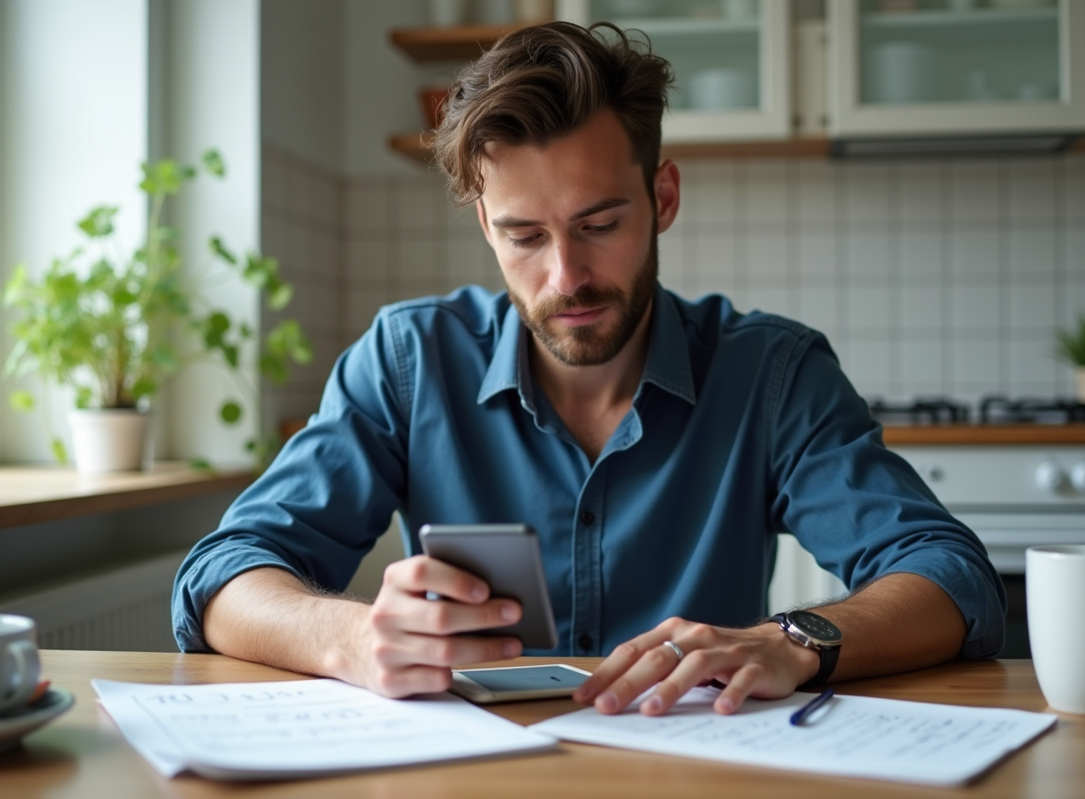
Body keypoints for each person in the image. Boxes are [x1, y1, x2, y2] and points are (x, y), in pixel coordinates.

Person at [173, 21, 1005, 718]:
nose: (565, 277)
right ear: (486, 227)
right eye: (524, 237)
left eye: (599, 223)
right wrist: (349, 638)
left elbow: (950, 575)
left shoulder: (771, 374)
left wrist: (790, 640)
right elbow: (221, 576)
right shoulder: (406, 362)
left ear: (663, 198)